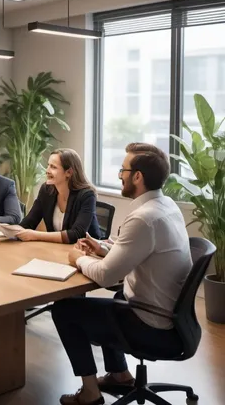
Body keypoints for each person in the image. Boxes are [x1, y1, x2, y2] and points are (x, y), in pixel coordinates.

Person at [50, 143, 192, 405]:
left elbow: (104, 277)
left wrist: (79, 258)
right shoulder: (165, 205)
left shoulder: (143, 218)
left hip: (152, 323)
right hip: (171, 316)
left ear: (138, 176)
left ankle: (90, 393)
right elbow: (138, 249)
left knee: (64, 310)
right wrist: (102, 246)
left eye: (123, 169)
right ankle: (119, 375)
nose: (119, 175)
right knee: (116, 299)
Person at [15, 149, 101, 243]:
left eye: (53, 167)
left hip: (87, 252)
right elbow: (28, 223)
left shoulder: (87, 195)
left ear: (69, 172)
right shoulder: (46, 190)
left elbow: (76, 234)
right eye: (48, 165)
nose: (47, 171)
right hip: (56, 249)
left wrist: (35, 235)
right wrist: (10, 230)